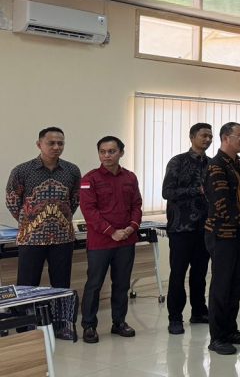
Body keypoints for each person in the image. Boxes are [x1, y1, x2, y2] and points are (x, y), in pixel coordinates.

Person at [204, 122, 240, 356]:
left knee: (237, 285)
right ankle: (217, 337)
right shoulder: (216, 166)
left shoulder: (239, 165)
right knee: (222, 286)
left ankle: (230, 330)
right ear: (225, 138)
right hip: (223, 235)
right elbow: (223, 204)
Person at [78, 136, 143, 343]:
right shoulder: (90, 179)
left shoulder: (130, 177)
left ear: (121, 153)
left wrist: (131, 228)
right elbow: (89, 211)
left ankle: (119, 322)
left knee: (122, 284)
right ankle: (89, 325)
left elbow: (136, 205)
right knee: (94, 284)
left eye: (111, 151)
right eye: (102, 151)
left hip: (126, 240)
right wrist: (111, 231)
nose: (106, 155)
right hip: (100, 242)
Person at [5, 127, 81, 288]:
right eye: (51, 143)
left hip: (63, 237)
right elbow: (12, 201)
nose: (56, 147)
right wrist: (29, 221)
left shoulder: (72, 170)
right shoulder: (22, 171)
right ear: (39, 144)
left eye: (60, 143)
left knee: (61, 284)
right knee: (27, 285)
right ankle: (28, 307)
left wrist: (60, 218)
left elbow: (75, 199)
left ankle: (60, 306)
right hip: (31, 237)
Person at [162, 122, 213, 335]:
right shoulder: (178, 161)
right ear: (192, 137)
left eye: (210, 136)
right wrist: (197, 190)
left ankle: (199, 312)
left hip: (205, 228)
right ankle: (175, 318)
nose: (207, 139)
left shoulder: (212, 164)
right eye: (203, 135)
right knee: (178, 274)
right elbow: (167, 192)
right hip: (181, 228)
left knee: (200, 273)